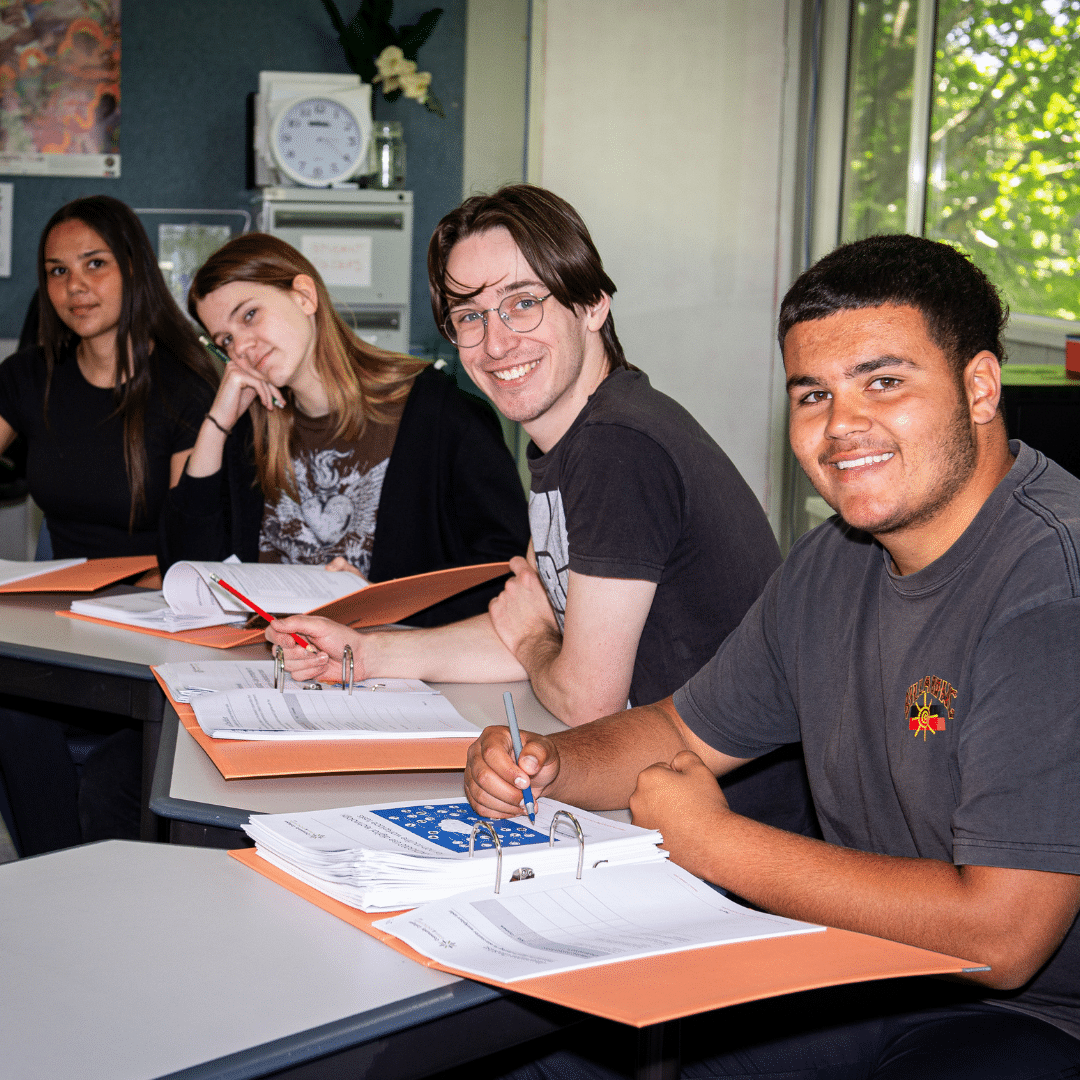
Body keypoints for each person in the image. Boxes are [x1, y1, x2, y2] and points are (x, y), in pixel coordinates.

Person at [464, 234, 1080, 1079]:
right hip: (877, 967)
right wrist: (544, 764)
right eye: (813, 394)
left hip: (1039, 1016)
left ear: (979, 387)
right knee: (558, 1051)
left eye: (885, 382)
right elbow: (682, 729)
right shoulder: (837, 559)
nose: (841, 427)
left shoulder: (1052, 589)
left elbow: (1003, 938)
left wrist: (716, 844)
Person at [269, 184, 816, 836]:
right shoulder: (574, 439)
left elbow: (583, 693)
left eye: (522, 304)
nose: (495, 344)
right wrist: (365, 654)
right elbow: (520, 624)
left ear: (591, 304)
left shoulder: (618, 445)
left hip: (725, 837)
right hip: (647, 801)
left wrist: (534, 640)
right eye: (469, 317)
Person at [162, 232, 529, 628]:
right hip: (271, 666)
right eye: (226, 340)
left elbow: (503, 568)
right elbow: (185, 574)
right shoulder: (251, 433)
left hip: (392, 668)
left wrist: (377, 604)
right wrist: (216, 426)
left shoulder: (440, 414)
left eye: (250, 315)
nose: (243, 348)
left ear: (304, 295)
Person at [0, 195, 218, 856]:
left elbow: (192, 549)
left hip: (157, 632)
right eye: (58, 271)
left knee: (109, 782)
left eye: (94, 264)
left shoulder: (184, 389)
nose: (75, 286)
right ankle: (52, 882)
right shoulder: (31, 377)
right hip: (60, 629)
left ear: (134, 269)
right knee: (12, 720)